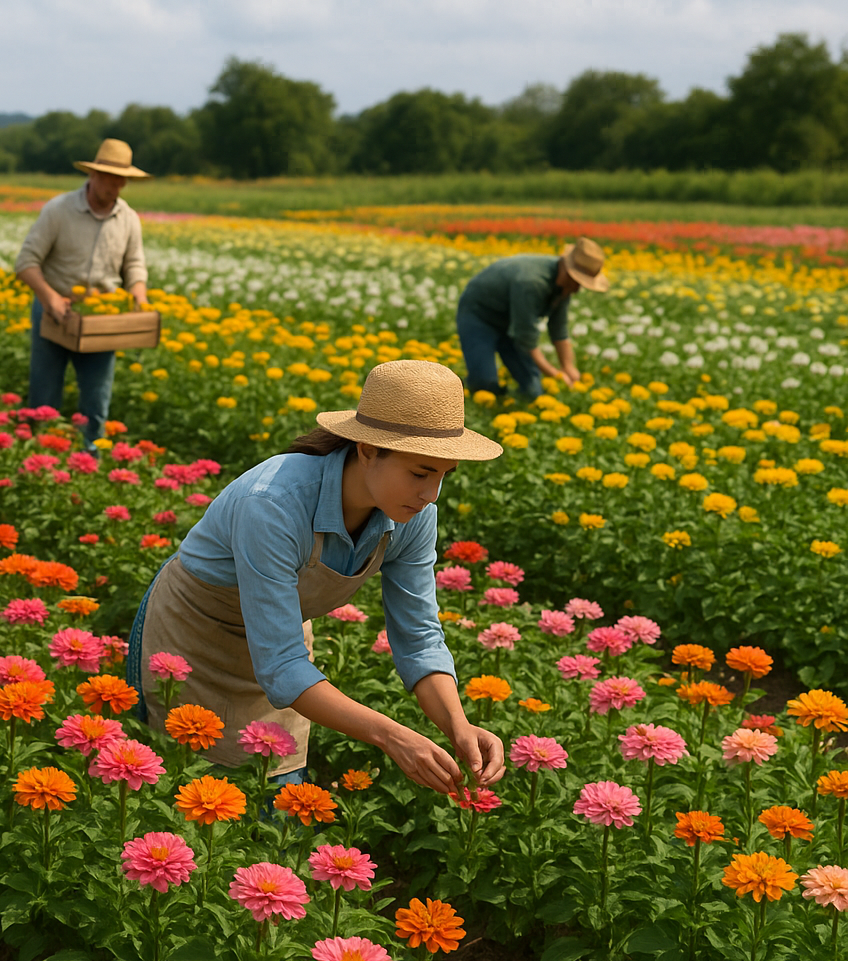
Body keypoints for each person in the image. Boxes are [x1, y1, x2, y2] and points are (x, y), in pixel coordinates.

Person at [125, 360, 507, 794]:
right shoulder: (272, 504)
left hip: (281, 645)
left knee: (275, 805)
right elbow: (283, 666)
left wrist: (459, 726)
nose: (430, 493)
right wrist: (392, 736)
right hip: (193, 640)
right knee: (181, 791)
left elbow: (418, 638)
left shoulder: (415, 517)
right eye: (419, 473)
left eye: (443, 475)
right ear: (366, 450)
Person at [14, 137, 149, 448]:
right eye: (110, 178)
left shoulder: (128, 218)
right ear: (94, 174)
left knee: (96, 404)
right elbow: (26, 262)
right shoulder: (59, 210)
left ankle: (89, 463)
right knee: (44, 401)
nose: (115, 186)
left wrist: (139, 297)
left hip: (102, 319)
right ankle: (38, 461)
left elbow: (135, 267)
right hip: (54, 311)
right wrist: (48, 297)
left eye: (121, 180)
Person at [457, 236, 609, 399]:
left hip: (511, 323)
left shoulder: (564, 286)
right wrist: (555, 373)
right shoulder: (532, 283)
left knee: (533, 392)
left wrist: (568, 367)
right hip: (479, 316)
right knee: (485, 385)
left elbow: (559, 329)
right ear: (566, 269)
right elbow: (525, 336)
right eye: (578, 281)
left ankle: (508, 401)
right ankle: (458, 394)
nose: (578, 289)